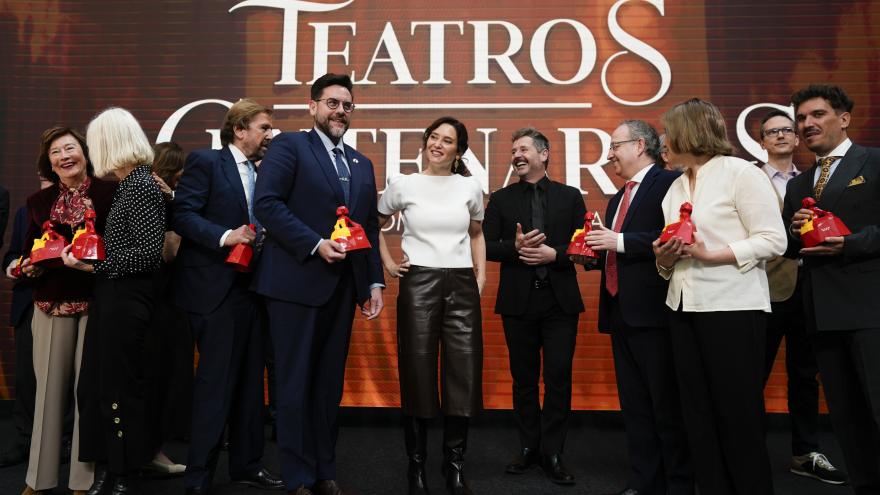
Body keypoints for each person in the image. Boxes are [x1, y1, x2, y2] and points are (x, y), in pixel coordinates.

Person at [252, 73, 385, 495]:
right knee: (293, 384)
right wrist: (314, 243)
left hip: (341, 290)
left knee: (328, 387)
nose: (340, 111)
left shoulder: (362, 164)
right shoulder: (290, 146)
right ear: (312, 106)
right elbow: (266, 204)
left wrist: (373, 282)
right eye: (332, 103)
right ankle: (297, 476)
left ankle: (324, 469)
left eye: (347, 105)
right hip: (293, 285)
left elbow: (367, 228)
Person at [652, 98, 786, 495]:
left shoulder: (741, 173)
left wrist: (713, 254)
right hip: (682, 308)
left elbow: (774, 239)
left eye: (669, 132)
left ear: (689, 133)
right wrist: (663, 258)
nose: (664, 141)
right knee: (697, 417)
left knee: (737, 417)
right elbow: (670, 256)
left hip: (732, 309)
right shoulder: (675, 186)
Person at [173, 99, 281, 494]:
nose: (270, 135)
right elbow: (182, 215)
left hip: (254, 288)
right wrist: (225, 236)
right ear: (239, 129)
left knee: (252, 383)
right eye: (264, 127)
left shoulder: (265, 171)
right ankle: (198, 476)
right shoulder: (206, 162)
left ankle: (247, 466)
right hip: (214, 288)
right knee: (215, 384)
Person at [379, 117, 486, 495]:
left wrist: (480, 277)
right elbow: (372, 223)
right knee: (417, 374)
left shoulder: (469, 186)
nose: (438, 144)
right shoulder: (403, 184)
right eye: (434, 137)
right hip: (419, 285)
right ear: (425, 142)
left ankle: (454, 465)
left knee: (463, 376)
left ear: (459, 150)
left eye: (448, 140)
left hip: (462, 285)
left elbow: (477, 233)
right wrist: (388, 263)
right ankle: (417, 467)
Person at [782, 84, 880, 494]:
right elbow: (791, 249)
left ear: (844, 118)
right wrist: (793, 232)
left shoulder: (874, 162)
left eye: (817, 114)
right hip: (821, 316)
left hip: (870, 311)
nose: (807, 124)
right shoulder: (799, 185)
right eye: (801, 118)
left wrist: (851, 243)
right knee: (847, 419)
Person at [585, 120, 692, 495]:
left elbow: (677, 234)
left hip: (656, 314)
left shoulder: (671, 182)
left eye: (615, 146)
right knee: (635, 406)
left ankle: (678, 483)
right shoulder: (618, 197)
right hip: (621, 314)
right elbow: (616, 247)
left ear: (640, 146)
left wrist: (618, 241)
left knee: (666, 405)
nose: (610, 155)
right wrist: (591, 255)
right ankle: (645, 481)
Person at [64, 107, 165, 495]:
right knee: (98, 386)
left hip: (127, 297)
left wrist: (94, 265)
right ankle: (111, 466)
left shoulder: (140, 186)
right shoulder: (130, 185)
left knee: (119, 387)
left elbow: (148, 254)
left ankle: (124, 471)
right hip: (113, 294)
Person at [16, 127, 117, 495]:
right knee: (47, 395)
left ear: (84, 153)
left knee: (87, 396)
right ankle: (38, 479)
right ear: (50, 163)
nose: (64, 156)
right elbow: (29, 249)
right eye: (56, 152)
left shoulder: (110, 193)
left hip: (96, 302)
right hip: (51, 303)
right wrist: (29, 265)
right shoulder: (38, 201)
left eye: (70, 148)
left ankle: (82, 480)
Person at [482, 127, 582, 486]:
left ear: (544, 154)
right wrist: (516, 247)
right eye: (513, 151)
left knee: (558, 377)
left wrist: (555, 254)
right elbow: (485, 246)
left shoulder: (571, 197)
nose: (516, 156)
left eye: (523, 149)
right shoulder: (501, 199)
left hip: (559, 301)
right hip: (518, 302)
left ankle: (552, 452)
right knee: (523, 379)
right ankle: (528, 447)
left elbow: (584, 246)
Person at [757, 109, 845, 485]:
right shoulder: (750, 179)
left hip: (812, 288)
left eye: (786, 130)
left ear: (797, 138)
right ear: (761, 142)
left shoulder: (816, 180)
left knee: (806, 376)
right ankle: (747, 451)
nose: (780, 135)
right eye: (771, 131)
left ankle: (805, 452)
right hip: (765, 290)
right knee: (752, 375)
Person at [142, 140, 190, 476]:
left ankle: (153, 450)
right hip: (151, 300)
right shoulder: (148, 199)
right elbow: (169, 252)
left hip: (171, 299)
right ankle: (147, 452)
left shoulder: (176, 201)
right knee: (151, 379)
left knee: (165, 380)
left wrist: (173, 200)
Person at [0, 175, 53, 469]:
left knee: (63, 379)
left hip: (63, 301)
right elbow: (11, 254)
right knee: (25, 378)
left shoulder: (84, 209)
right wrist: (15, 265)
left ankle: (63, 442)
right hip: (27, 304)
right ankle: (24, 439)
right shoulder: (25, 211)